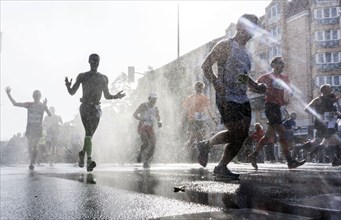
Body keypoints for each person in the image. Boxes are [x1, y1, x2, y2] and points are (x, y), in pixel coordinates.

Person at [198, 14, 267, 179]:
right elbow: (206, 65)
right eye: (250, 27)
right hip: (226, 96)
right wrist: (215, 81)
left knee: (242, 135)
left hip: (242, 98)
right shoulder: (226, 46)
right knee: (235, 132)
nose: (252, 32)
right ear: (240, 27)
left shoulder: (246, 53)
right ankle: (206, 145)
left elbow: (241, 75)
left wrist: (255, 86)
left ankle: (220, 165)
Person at [65, 53, 126, 172]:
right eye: (92, 61)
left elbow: (107, 96)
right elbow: (72, 92)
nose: (94, 63)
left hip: (97, 109)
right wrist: (68, 86)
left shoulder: (103, 78)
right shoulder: (82, 76)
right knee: (88, 132)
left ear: (99, 62)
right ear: (89, 62)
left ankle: (82, 154)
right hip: (85, 107)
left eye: (96, 61)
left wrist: (115, 96)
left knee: (90, 135)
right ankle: (89, 160)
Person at [247, 57, 306, 170]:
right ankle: (290, 161)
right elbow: (253, 88)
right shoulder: (266, 77)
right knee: (282, 132)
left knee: (268, 136)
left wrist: (290, 93)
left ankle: (253, 156)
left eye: (283, 65)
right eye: (279, 64)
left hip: (278, 107)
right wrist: (261, 90)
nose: (282, 66)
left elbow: (289, 90)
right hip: (270, 106)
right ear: (273, 64)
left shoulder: (285, 77)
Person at [5, 87, 51, 170]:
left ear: (40, 97)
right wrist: (8, 94)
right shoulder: (29, 104)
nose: (36, 97)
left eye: (38, 96)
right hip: (30, 128)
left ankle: (32, 162)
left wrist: (45, 107)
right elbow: (15, 103)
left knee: (34, 146)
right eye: (35, 95)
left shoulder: (42, 106)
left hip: (38, 128)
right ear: (33, 96)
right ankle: (31, 161)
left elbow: (50, 114)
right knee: (30, 147)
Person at [303, 84, 341, 166]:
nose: (331, 90)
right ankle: (336, 160)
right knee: (335, 142)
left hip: (330, 123)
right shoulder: (318, 100)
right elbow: (307, 109)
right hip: (322, 123)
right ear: (323, 90)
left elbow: (337, 109)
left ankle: (310, 150)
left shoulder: (332, 100)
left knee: (324, 142)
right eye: (329, 89)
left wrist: (336, 102)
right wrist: (317, 115)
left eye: (331, 89)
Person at [181, 81, 217, 161]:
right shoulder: (190, 98)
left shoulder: (204, 98)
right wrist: (182, 120)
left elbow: (208, 109)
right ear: (195, 88)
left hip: (201, 120)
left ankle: (189, 152)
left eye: (201, 87)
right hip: (193, 120)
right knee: (197, 137)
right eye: (198, 87)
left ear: (202, 88)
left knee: (197, 138)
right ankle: (193, 154)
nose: (199, 88)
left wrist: (213, 118)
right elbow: (185, 110)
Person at [133, 93, 162, 168]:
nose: (154, 101)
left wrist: (159, 122)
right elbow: (134, 114)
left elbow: (159, 118)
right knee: (146, 143)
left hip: (150, 128)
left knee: (153, 145)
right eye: (153, 99)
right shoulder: (143, 105)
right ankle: (140, 153)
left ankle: (146, 161)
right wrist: (141, 119)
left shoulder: (156, 108)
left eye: (155, 99)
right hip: (142, 126)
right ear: (149, 99)